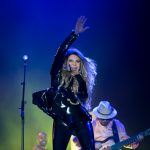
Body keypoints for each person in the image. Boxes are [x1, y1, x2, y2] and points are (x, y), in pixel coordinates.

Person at [32, 16, 97, 150]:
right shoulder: (57, 75)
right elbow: (60, 52)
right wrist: (75, 34)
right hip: (62, 121)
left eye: (77, 61)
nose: (74, 64)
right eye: (71, 60)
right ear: (66, 62)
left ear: (81, 64)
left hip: (80, 120)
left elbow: (83, 97)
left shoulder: (81, 80)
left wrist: (78, 78)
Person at [73, 100, 143, 150]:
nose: (105, 121)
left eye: (107, 118)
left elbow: (125, 141)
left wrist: (134, 141)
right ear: (98, 116)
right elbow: (77, 141)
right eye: (102, 118)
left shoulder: (118, 124)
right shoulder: (91, 125)